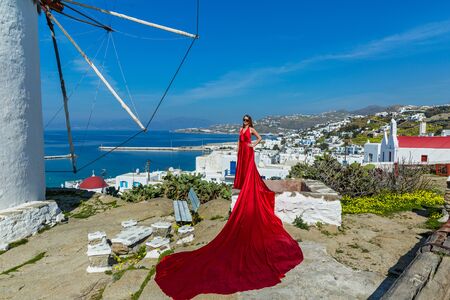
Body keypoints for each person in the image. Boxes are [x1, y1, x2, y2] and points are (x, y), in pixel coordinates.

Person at [155, 114, 303, 300]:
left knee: (251, 172)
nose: (245, 123)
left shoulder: (250, 130)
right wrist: (240, 149)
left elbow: (260, 138)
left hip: (249, 152)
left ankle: (249, 183)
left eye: (247, 121)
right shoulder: (240, 131)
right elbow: (239, 142)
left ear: (250, 122)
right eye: (244, 120)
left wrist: (253, 145)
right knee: (243, 170)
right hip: (242, 152)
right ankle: (242, 182)